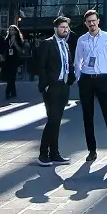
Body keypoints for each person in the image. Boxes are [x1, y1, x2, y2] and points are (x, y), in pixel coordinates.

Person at [74, 9, 107, 162]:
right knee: (88, 116)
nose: (92, 23)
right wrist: (78, 77)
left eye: (94, 20)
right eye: (89, 22)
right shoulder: (82, 40)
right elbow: (77, 61)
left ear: (98, 21)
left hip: (102, 79)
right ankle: (92, 150)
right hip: (86, 79)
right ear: (86, 24)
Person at [36, 16, 75, 166]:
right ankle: (42, 154)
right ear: (55, 29)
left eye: (66, 27)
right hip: (52, 87)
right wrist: (46, 85)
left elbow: (68, 64)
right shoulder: (48, 44)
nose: (65, 29)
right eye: (62, 27)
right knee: (53, 120)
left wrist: (70, 81)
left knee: (57, 122)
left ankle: (54, 153)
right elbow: (41, 65)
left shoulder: (65, 45)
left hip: (63, 86)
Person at [3, 25, 25, 100]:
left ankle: (7, 92)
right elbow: (5, 49)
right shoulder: (7, 39)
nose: (11, 31)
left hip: (15, 60)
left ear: (16, 31)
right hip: (8, 59)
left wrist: (15, 43)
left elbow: (20, 50)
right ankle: (13, 92)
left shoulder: (18, 39)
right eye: (10, 30)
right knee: (10, 77)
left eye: (12, 30)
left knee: (12, 76)